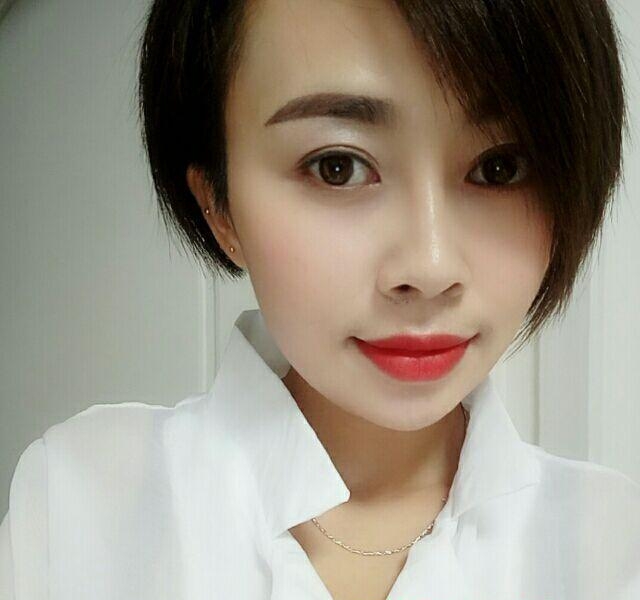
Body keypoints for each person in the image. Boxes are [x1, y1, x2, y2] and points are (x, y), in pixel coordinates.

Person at [1, 0, 639, 598]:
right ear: (219, 206)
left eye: (500, 168)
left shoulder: (615, 545)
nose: (429, 268)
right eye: (338, 166)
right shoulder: (82, 504)